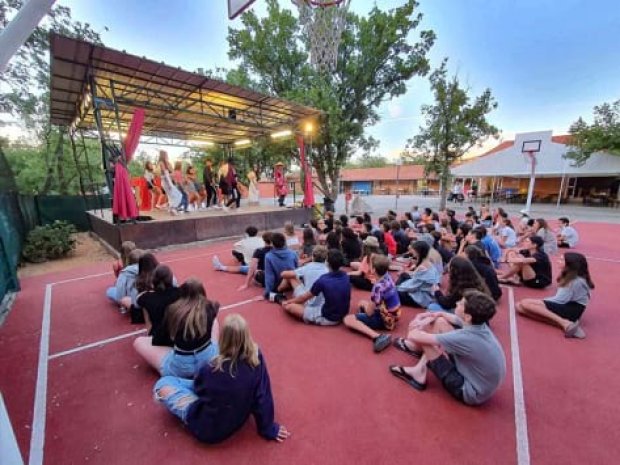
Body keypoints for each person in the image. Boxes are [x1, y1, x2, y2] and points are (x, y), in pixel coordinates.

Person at [153, 313, 290, 444]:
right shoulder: (256, 357)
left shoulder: (211, 368)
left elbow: (200, 389)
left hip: (209, 429)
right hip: (237, 417)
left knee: (164, 383)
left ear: (224, 339)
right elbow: (263, 395)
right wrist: (268, 427)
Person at [389, 290, 506, 405]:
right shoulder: (480, 325)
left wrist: (416, 323)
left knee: (424, 338)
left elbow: (413, 335)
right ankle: (419, 367)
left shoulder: (464, 337)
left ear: (468, 316)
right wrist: (434, 315)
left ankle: (418, 371)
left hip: (470, 392)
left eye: (461, 303)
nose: (456, 303)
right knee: (439, 322)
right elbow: (453, 318)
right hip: (483, 384)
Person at [134, 279, 220, 379]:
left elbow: (158, 340)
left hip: (182, 366)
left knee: (139, 342)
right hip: (208, 358)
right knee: (215, 320)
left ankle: (176, 372)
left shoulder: (174, 311)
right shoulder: (211, 306)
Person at [516, 252, 594, 339]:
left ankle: (564, 322)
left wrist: (540, 302)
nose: (558, 261)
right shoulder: (569, 276)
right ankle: (562, 323)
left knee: (526, 303)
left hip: (572, 309)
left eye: (561, 260)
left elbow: (560, 300)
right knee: (519, 307)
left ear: (570, 264)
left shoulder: (575, 281)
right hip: (567, 304)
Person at [344, 254, 401, 352]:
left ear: (373, 270)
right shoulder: (388, 277)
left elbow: (369, 312)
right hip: (395, 313)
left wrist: (366, 309)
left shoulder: (377, 287)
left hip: (386, 319)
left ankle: (377, 336)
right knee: (361, 303)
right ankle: (367, 321)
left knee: (348, 319)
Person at [281, 249, 351, 326]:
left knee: (289, 307)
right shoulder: (345, 276)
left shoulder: (323, 280)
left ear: (327, 262)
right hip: (342, 313)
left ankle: (277, 293)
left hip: (328, 317)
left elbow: (304, 298)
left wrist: (289, 302)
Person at [134, 265, 180, 349]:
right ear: (171, 279)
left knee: (138, 342)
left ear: (153, 281)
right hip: (181, 339)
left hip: (160, 341)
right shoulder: (181, 293)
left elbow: (137, 300)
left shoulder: (144, 298)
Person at [395, 241, 440, 308]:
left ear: (419, 251)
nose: (412, 252)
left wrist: (396, 288)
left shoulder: (424, 266)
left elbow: (413, 286)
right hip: (423, 292)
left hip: (421, 298)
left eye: (414, 250)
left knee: (393, 293)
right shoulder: (427, 262)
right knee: (404, 275)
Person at [106, 248, 143, 313]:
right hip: (147, 299)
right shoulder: (150, 269)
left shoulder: (125, 272)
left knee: (109, 290)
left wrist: (122, 304)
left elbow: (121, 290)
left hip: (133, 301)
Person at [264, 232, 298, 300]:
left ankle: (276, 297)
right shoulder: (293, 253)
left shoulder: (269, 256)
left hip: (279, 284)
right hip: (292, 282)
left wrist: (267, 292)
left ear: (272, 243)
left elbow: (269, 276)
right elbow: (297, 268)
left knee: (258, 275)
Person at [157, 150, 184, 215]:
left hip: (167, 182)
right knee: (178, 195)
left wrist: (171, 173)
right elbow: (165, 174)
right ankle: (172, 208)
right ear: (163, 155)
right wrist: (169, 183)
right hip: (167, 182)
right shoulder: (161, 163)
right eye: (166, 154)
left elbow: (170, 172)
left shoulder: (165, 163)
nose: (167, 155)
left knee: (172, 196)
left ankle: (171, 209)